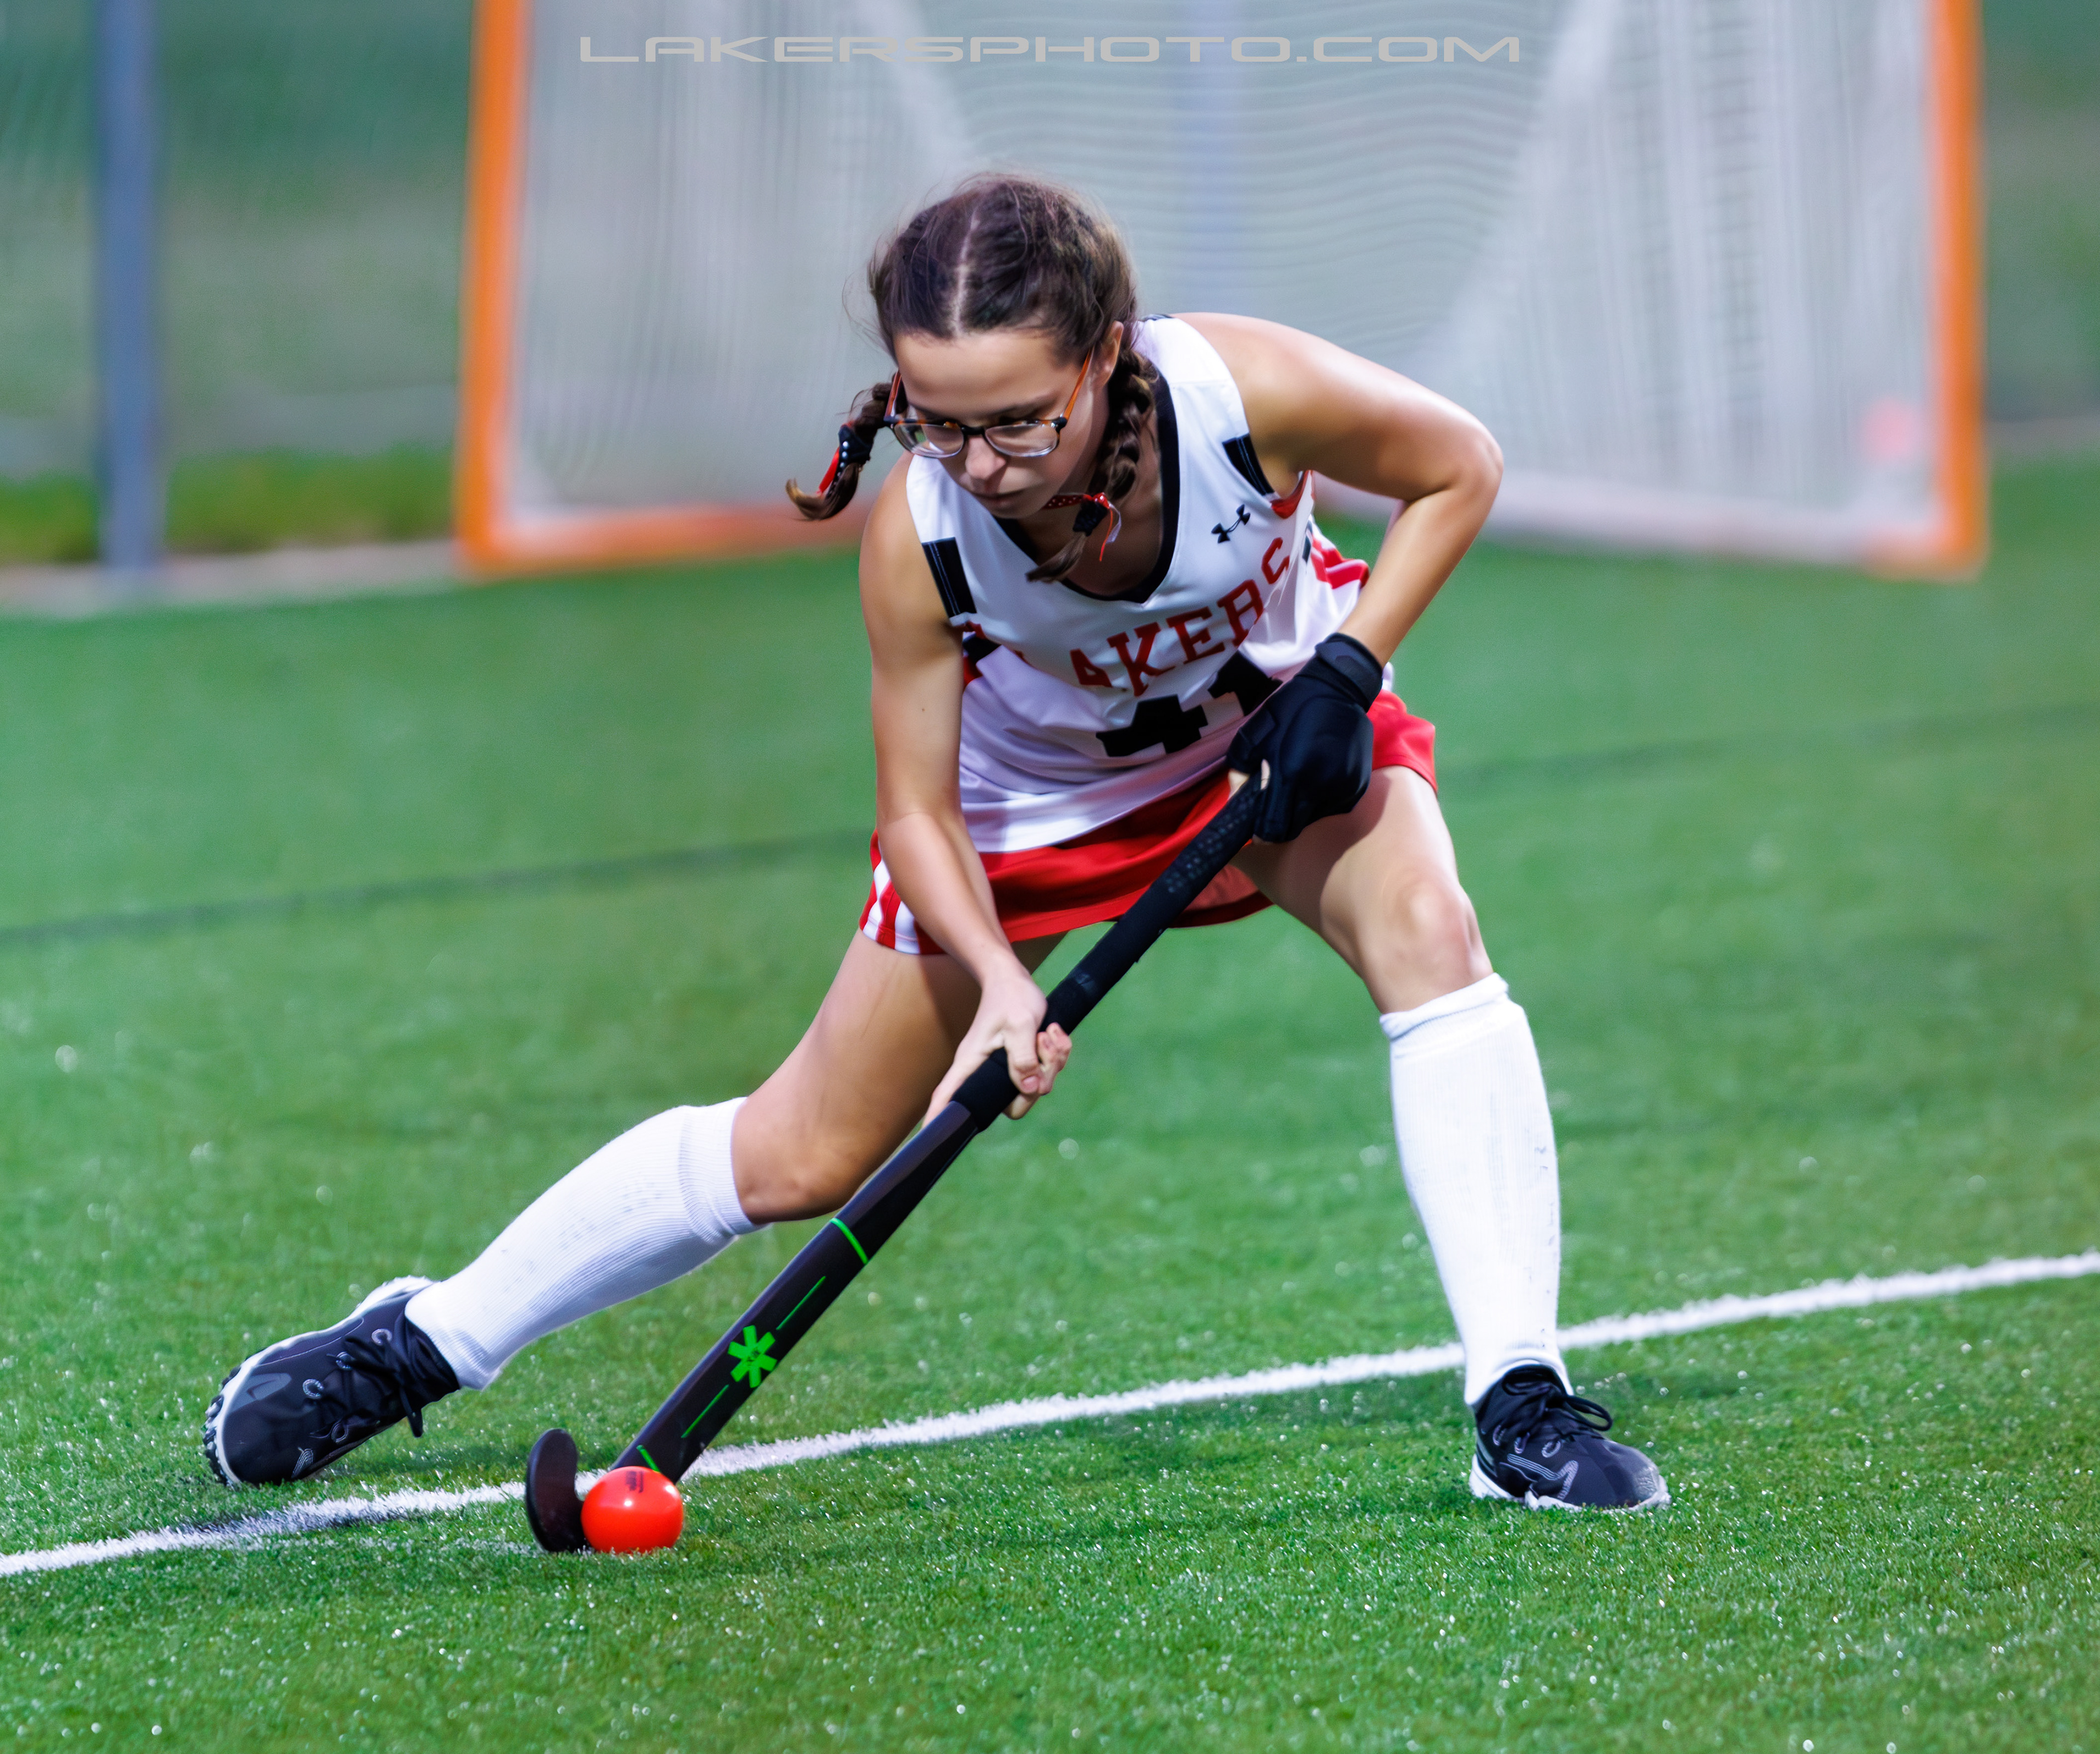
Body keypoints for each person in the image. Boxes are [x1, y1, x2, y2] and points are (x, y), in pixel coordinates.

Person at [204, 176, 1664, 1512]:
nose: (983, 462)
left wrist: (1348, 665)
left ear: (1105, 357)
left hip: (1271, 727)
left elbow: (1458, 469)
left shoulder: (1245, 393)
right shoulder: (919, 537)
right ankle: (426, 1339)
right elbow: (916, 809)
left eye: (1020, 421)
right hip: (1020, 809)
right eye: (940, 421)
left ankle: (1519, 1403)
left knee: (1432, 937)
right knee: (805, 1151)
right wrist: (1001, 986)